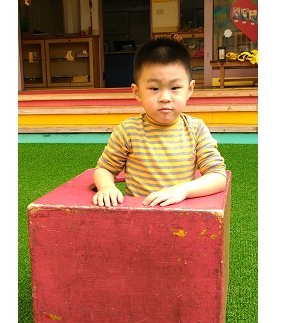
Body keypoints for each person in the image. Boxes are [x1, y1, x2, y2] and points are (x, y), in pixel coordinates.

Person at [92, 37, 227, 207]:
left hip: (181, 216)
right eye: (154, 88)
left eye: (175, 88)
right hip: (137, 215)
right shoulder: (127, 131)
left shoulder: (196, 129)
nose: (164, 97)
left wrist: (183, 190)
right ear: (137, 92)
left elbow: (218, 176)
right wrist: (107, 187)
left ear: (189, 89)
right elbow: (104, 169)